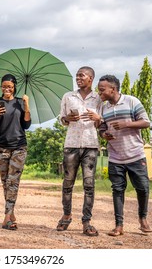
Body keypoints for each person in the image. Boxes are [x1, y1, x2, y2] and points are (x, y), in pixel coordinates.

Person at [97, 74, 152, 236]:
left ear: (112, 89)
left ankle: (142, 219)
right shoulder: (103, 107)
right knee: (117, 190)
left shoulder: (131, 101)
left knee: (142, 188)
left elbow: (146, 122)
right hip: (115, 157)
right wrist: (104, 134)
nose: (99, 92)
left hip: (135, 154)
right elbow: (101, 127)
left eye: (102, 89)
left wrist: (126, 123)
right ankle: (118, 225)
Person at [57, 66, 102, 236]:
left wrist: (98, 118)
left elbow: (101, 123)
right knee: (68, 183)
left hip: (90, 146)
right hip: (71, 145)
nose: (78, 78)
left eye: (81, 75)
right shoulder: (68, 96)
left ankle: (86, 221)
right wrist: (67, 118)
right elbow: (61, 118)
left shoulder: (98, 99)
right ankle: (66, 215)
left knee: (89, 185)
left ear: (91, 78)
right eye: (77, 76)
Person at [0, 74, 31, 230]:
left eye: (10, 86)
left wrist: (26, 104)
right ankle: (11, 214)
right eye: (4, 86)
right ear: (1, 87)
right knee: (6, 182)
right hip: (1, 146)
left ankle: (6, 218)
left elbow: (26, 125)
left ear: (14, 87)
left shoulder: (20, 102)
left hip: (19, 146)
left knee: (13, 181)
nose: (7, 89)